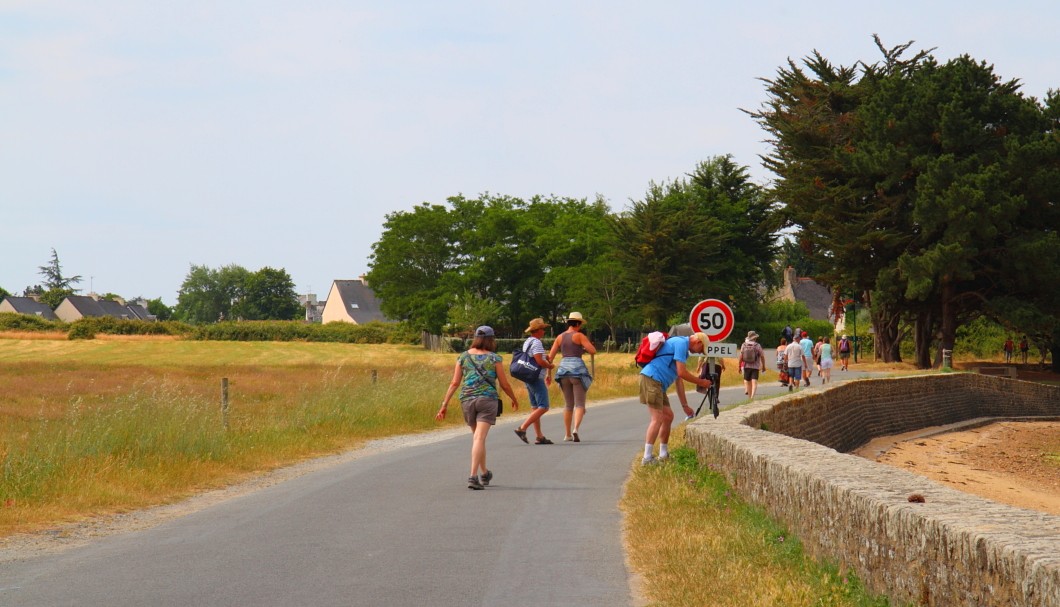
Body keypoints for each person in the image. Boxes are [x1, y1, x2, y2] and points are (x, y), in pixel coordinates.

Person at [438, 326, 521, 490]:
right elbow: (504, 384)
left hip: (467, 400)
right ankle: (473, 476)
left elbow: (455, 383)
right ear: (491, 339)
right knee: (479, 439)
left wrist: (444, 405)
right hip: (487, 400)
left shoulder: (463, 357)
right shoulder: (494, 358)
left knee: (477, 438)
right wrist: (513, 398)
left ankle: (484, 473)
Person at [638, 331, 712, 464]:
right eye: (701, 349)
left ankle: (663, 453)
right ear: (698, 342)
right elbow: (681, 372)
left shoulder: (683, 349)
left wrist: (685, 406)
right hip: (651, 378)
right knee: (657, 418)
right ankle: (647, 458)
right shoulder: (681, 343)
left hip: (658, 383)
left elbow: (679, 380)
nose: (700, 353)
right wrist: (701, 382)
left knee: (668, 416)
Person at [548, 311, 597, 442]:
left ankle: (567, 433)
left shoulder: (559, 337)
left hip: (563, 371)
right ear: (578, 323)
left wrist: (548, 374)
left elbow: (550, 357)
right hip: (577, 371)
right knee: (580, 403)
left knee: (568, 404)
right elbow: (593, 350)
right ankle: (576, 429)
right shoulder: (579, 336)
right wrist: (584, 348)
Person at [513, 318, 557, 445]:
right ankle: (522, 428)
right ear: (538, 330)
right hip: (536, 378)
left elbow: (533, 357)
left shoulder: (528, 341)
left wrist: (544, 357)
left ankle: (539, 436)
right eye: (543, 329)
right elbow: (538, 360)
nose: (544, 331)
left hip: (528, 377)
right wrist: (549, 366)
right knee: (544, 406)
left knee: (535, 407)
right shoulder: (537, 343)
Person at [739, 330, 766, 399]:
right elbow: (762, 356)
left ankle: (749, 397)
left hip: (746, 366)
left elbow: (741, 356)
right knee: (754, 382)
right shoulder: (757, 345)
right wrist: (763, 366)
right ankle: (752, 396)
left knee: (748, 382)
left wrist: (739, 366)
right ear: (755, 338)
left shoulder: (744, 345)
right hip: (755, 367)